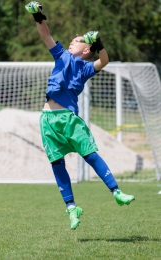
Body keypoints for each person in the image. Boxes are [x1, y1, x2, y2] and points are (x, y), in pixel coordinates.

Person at [25, 1, 135, 230]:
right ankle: (71, 208)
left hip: (69, 119)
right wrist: (38, 15)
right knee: (57, 164)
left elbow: (104, 61)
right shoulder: (60, 55)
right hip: (48, 120)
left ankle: (117, 191)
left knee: (90, 154)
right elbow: (45, 33)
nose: (71, 42)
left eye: (76, 41)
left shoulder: (85, 68)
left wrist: (99, 43)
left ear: (86, 50)